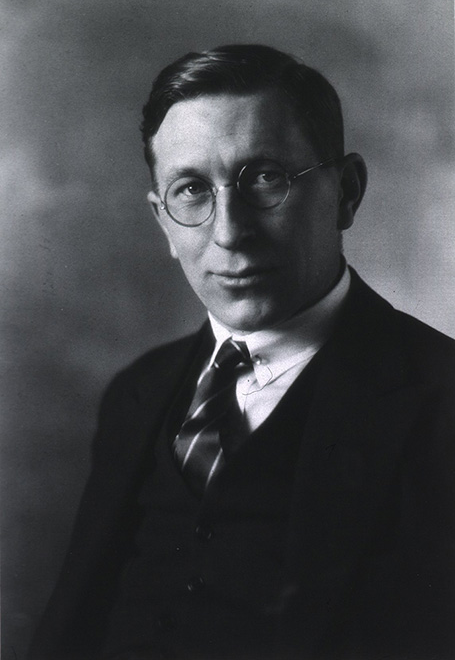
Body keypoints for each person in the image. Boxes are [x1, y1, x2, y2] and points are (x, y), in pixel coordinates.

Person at [28, 44, 455, 660]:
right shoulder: (137, 392)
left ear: (347, 194)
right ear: (163, 224)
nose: (230, 232)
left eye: (265, 178)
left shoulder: (439, 399)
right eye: (192, 190)